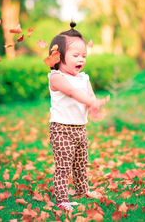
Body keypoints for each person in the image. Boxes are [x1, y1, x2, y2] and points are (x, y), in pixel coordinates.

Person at [47, 21, 110, 211]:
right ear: (58, 57)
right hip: (61, 129)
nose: (80, 59)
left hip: (80, 128)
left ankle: (82, 190)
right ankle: (62, 198)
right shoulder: (56, 77)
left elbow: (89, 96)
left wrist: (94, 108)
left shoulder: (85, 78)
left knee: (81, 163)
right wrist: (91, 102)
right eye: (75, 55)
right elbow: (73, 92)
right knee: (64, 165)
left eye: (83, 55)